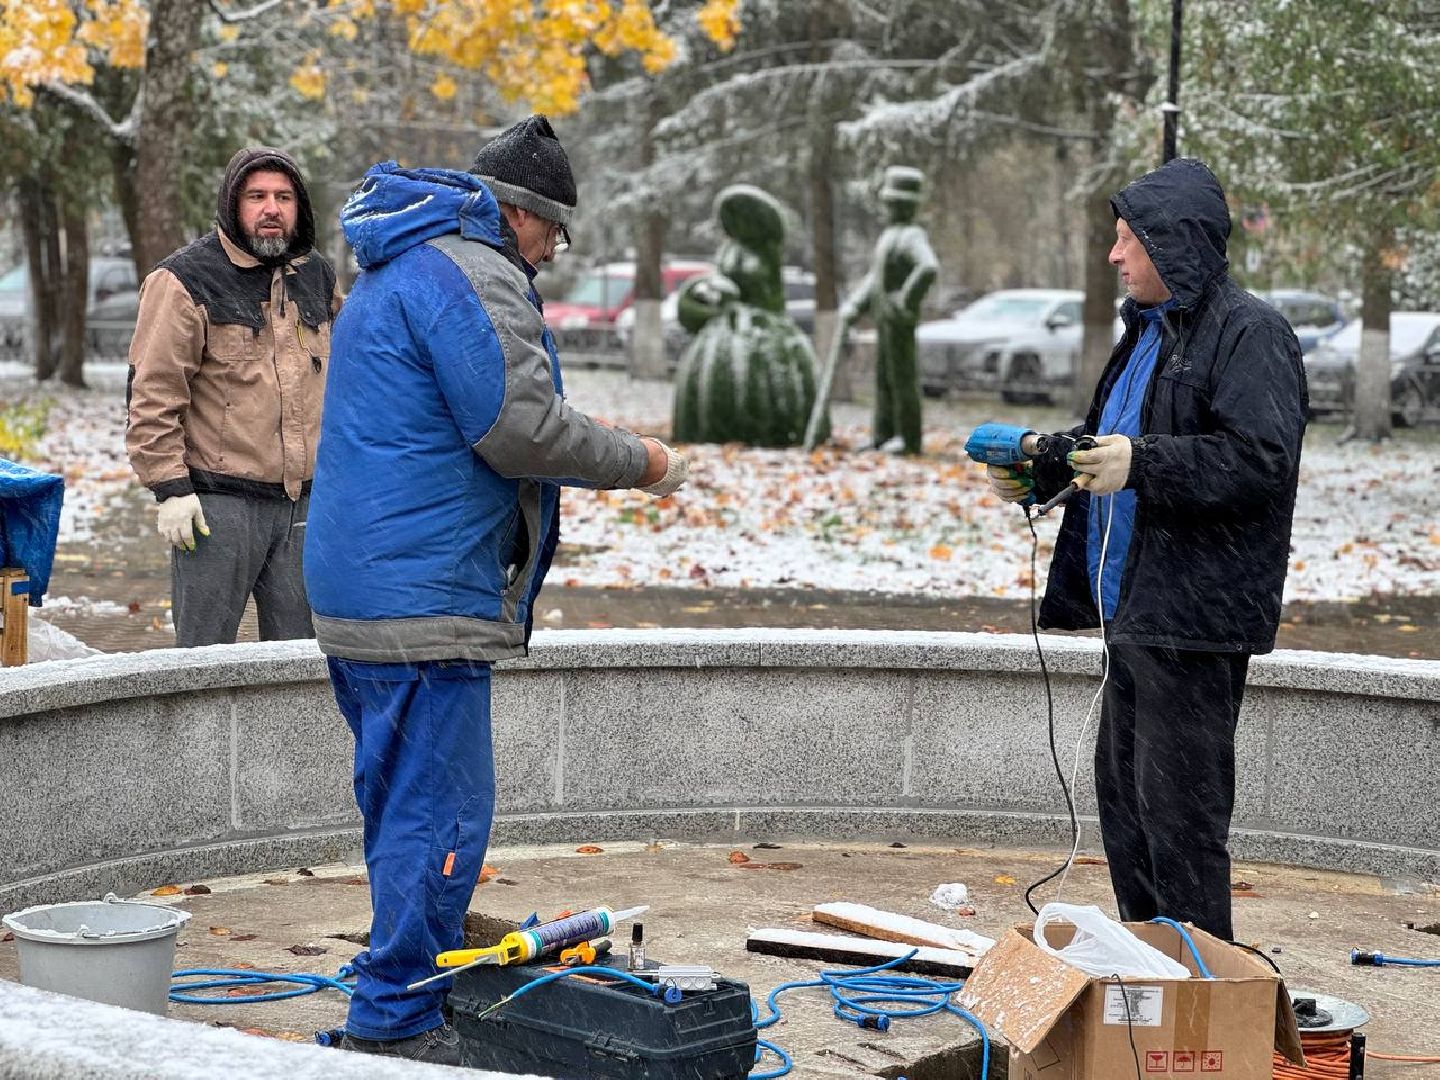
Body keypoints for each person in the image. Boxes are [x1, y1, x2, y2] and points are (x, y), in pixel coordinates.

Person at [303, 115, 689, 1065]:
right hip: (422, 598)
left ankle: (401, 982)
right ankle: (399, 1018)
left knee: (401, 809)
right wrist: (641, 460)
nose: (554, 251)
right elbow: (519, 428)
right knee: (440, 817)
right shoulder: (472, 275)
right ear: (518, 215)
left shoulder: (401, 261)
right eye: (553, 230)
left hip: (366, 585)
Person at [987, 157, 1307, 941]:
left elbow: (1261, 461)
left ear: (1175, 244)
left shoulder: (1250, 332)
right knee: (1127, 813)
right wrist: (1047, 473)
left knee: (1180, 821)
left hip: (1193, 620)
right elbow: (1114, 445)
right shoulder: (1147, 335)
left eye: (1128, 239)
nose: (1114, 255)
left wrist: (1143, 463)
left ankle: (1206, 997)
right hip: (1131, 610)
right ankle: (1152, 978)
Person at [126, 147, 340, 647]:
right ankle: (192, 732)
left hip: (302, 506)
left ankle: (291, 733)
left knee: (300, 665)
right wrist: (171, 489)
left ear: (299, 208)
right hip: (216, 506)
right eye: (257, 196)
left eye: (284, 197)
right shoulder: (184, 279)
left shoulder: (317, 276)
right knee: (202, 663)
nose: (271, 209)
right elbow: (153, 394)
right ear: (232, 204)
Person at [840, 165, 938, 455]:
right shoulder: (890, 235)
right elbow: (875, 278)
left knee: (902, 380)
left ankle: (908, 438)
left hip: (898, 321)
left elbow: (928, 267)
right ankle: (882, 435)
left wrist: (904, 301)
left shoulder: (911, 235)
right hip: (884, 319)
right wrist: (855, 306)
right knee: (883, 379)